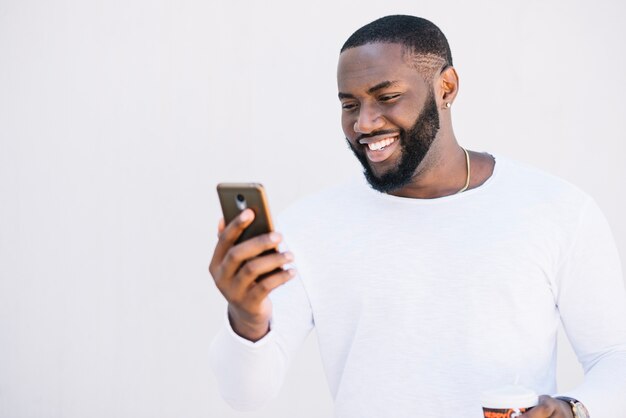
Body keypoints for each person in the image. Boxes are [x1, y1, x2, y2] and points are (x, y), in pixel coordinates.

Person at [209, 15, 626, 418]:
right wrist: (247, 318)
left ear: (446, 87)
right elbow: (245, 395)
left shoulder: (555, 209)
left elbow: (614, 357)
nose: (364, 123)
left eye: (386, 97)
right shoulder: (310, 226)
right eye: (349, 104)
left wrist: (576, 409)